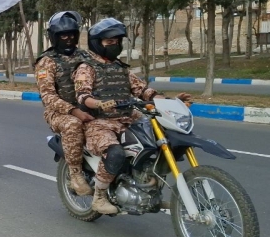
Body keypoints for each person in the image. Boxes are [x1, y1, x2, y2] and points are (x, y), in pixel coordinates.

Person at [73, 18, 192, 214]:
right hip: (100, 122)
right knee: (115, 153)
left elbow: (143, 90)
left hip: (128, 118)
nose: (115, 45)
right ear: (97, 43)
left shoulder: (121, 68)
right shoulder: (87, 68)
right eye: (109, 41)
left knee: (159, 144)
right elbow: (82, 96)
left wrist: (169, 101)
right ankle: (99, 197)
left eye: (117, 41)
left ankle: (150, 189)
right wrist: (99, 103)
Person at [34, 11, 94, 196]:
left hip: (89, 106)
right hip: (59, 113)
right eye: (63, 36)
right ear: (54, 37)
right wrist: (73, 111)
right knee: (73, 125)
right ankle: (75, 175)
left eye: (71, 35)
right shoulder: (47, 62)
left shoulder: (86, 56)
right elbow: (48, 96)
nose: (68, 39)